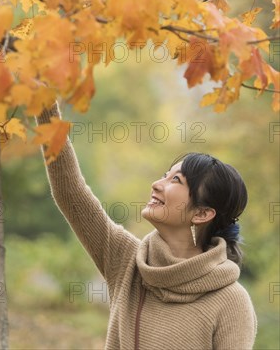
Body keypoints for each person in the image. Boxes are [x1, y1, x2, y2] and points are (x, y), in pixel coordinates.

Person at [36, 101, 257, 350]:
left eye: (176, 180)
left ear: (202, 213)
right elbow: (71, 193)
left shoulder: (231, 302)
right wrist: (44, 105)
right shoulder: (126, 260)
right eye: (165, 175)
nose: (157, 184)